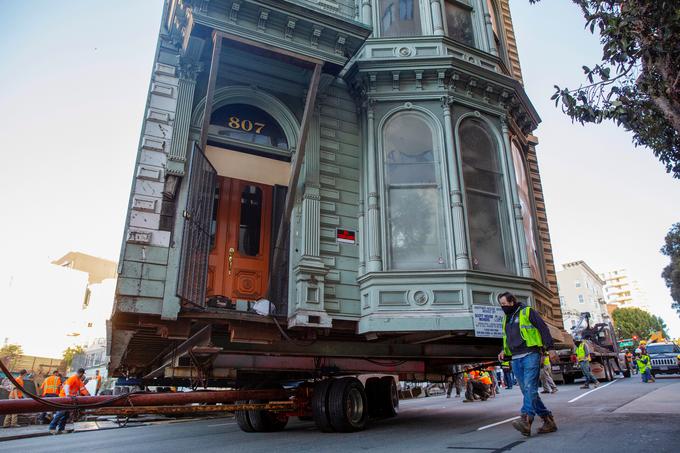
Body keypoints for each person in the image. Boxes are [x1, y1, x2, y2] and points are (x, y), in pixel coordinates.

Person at [497, 292, 557, 436]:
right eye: (501, 305)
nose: (502, 307)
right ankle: (547, 419)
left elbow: (543, 328)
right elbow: (508, 337)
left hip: (531, 354)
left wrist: (551, 348)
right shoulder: (507, 318)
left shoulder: (527, 312)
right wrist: (503, 351)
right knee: (527, 391)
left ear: (512, 302)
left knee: (530, 387)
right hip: (516, 358)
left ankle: (525, 419)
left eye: (504, 304)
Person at [49, 368, 90, 435]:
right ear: (81, 373)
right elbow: (66, 386)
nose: (82, 376)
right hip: (64, 397)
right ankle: (52, 428)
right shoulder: (73, 378)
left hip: (69, 398)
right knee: (61, 413)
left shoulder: (78, 380)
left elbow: (83, 389)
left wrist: (88, 395)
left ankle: (61, 429)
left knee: (66, 414)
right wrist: (67, 395)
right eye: (82, 374)